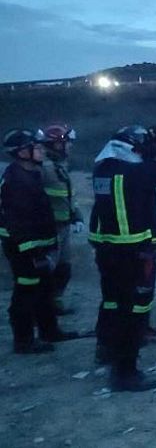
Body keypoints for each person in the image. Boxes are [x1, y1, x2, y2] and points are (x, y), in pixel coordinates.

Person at [89, 125, 156, 391]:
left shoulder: (102, 169)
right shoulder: (136, 172)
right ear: (131, 148)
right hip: (134, 253)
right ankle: (125, 372)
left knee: (112, 303)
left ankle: (106, 348)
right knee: (133, 310)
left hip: (107, 250)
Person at [0, 129, 78, 354]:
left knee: (44, 289)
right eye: (36, 147)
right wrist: (33, 252)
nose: (41, 150)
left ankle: (49, 331)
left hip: (39, 245)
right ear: (22, 152)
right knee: (26, 291)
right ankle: (23, 340)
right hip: (24, 248)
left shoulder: (30, 174)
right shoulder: (16, 181)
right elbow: (18, 223)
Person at [36, 124, 84, 316]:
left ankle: (54, 303)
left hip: (63, 227)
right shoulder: (43, 168)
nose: (69, 147)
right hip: (49, 229)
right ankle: (42, 309)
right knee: (46, 271)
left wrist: (77, 216)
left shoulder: (59, 166)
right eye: (67, 143)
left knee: (64, 268)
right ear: (57, 144)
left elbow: (68, 195)